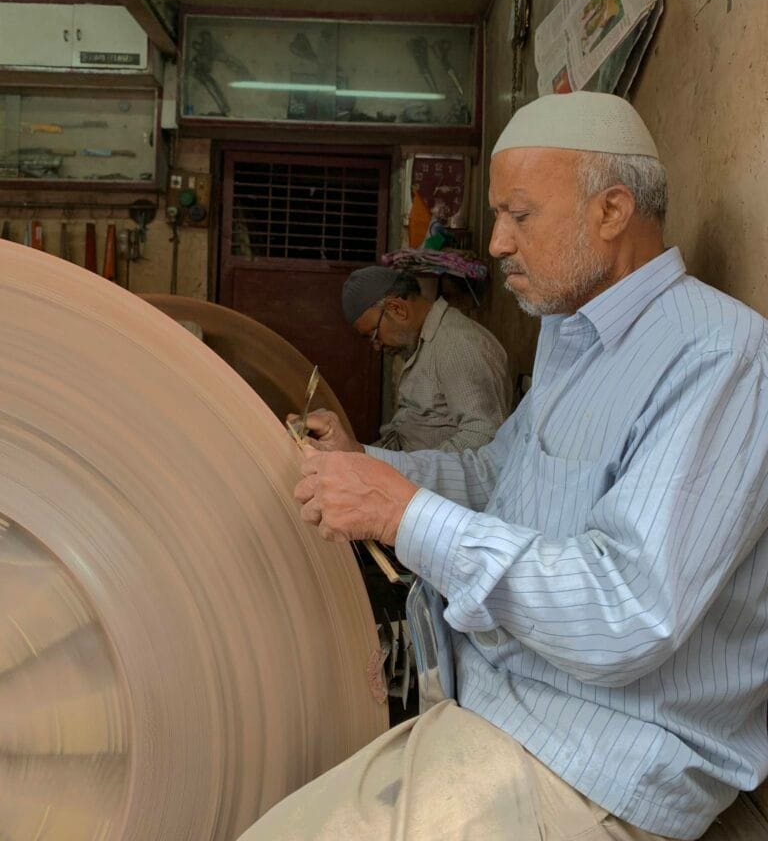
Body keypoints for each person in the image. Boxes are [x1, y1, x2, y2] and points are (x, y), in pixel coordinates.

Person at [239, 92, 768, 841]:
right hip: (500, 698)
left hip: (602, 756)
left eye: (519, 215)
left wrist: (402, 513)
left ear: (612, 211)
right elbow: (497, 475)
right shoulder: (568, 335)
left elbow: (629, 612)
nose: (495, 244)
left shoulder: (718, 357)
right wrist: (369, 465)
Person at [340, 265, 511, 452]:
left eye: (374, 334)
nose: (376, 345)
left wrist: (415, 468)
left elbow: (483, 435)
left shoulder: (457, 344)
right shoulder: (423, 342)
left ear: (397, 309)